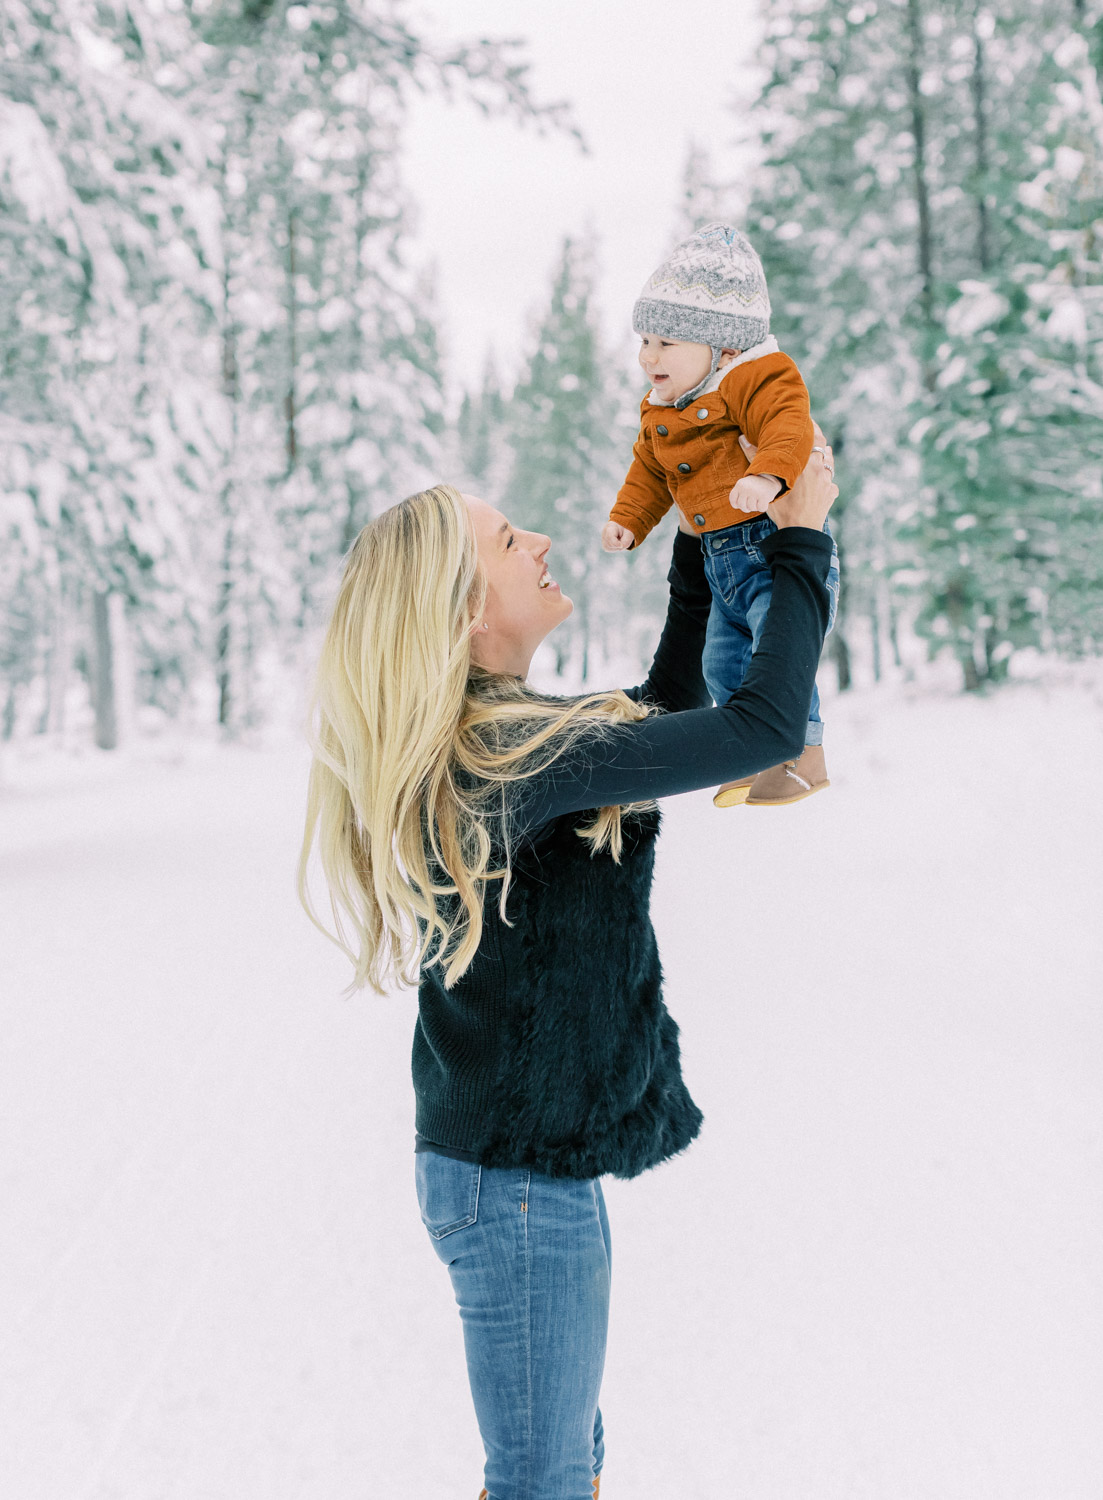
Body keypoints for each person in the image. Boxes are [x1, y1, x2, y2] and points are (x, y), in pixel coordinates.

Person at [298, 435, 837, 1500]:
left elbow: (665, 709)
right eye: (507, 538)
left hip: (521, 1172)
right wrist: (802, 543)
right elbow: (760, 726)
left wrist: (696, 540)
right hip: (517, 1187)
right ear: (462, 613)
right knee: (543, 1480)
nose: (537, 537)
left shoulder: (508, 742)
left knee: (561, 1468)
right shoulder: (514, 760)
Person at [602, 221, 841, 808]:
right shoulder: (664, 408)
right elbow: (649, 469)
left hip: (772, 546)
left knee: (776, 653)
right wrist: (630, 518)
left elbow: (788, 422)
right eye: (644, 341)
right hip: (717, 564)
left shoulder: (755, 376)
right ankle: (749, 754)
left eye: (666, 343)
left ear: (724, 346)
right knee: (720, 661)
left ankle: (803, 754)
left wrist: (768, 475)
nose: (648, 357)